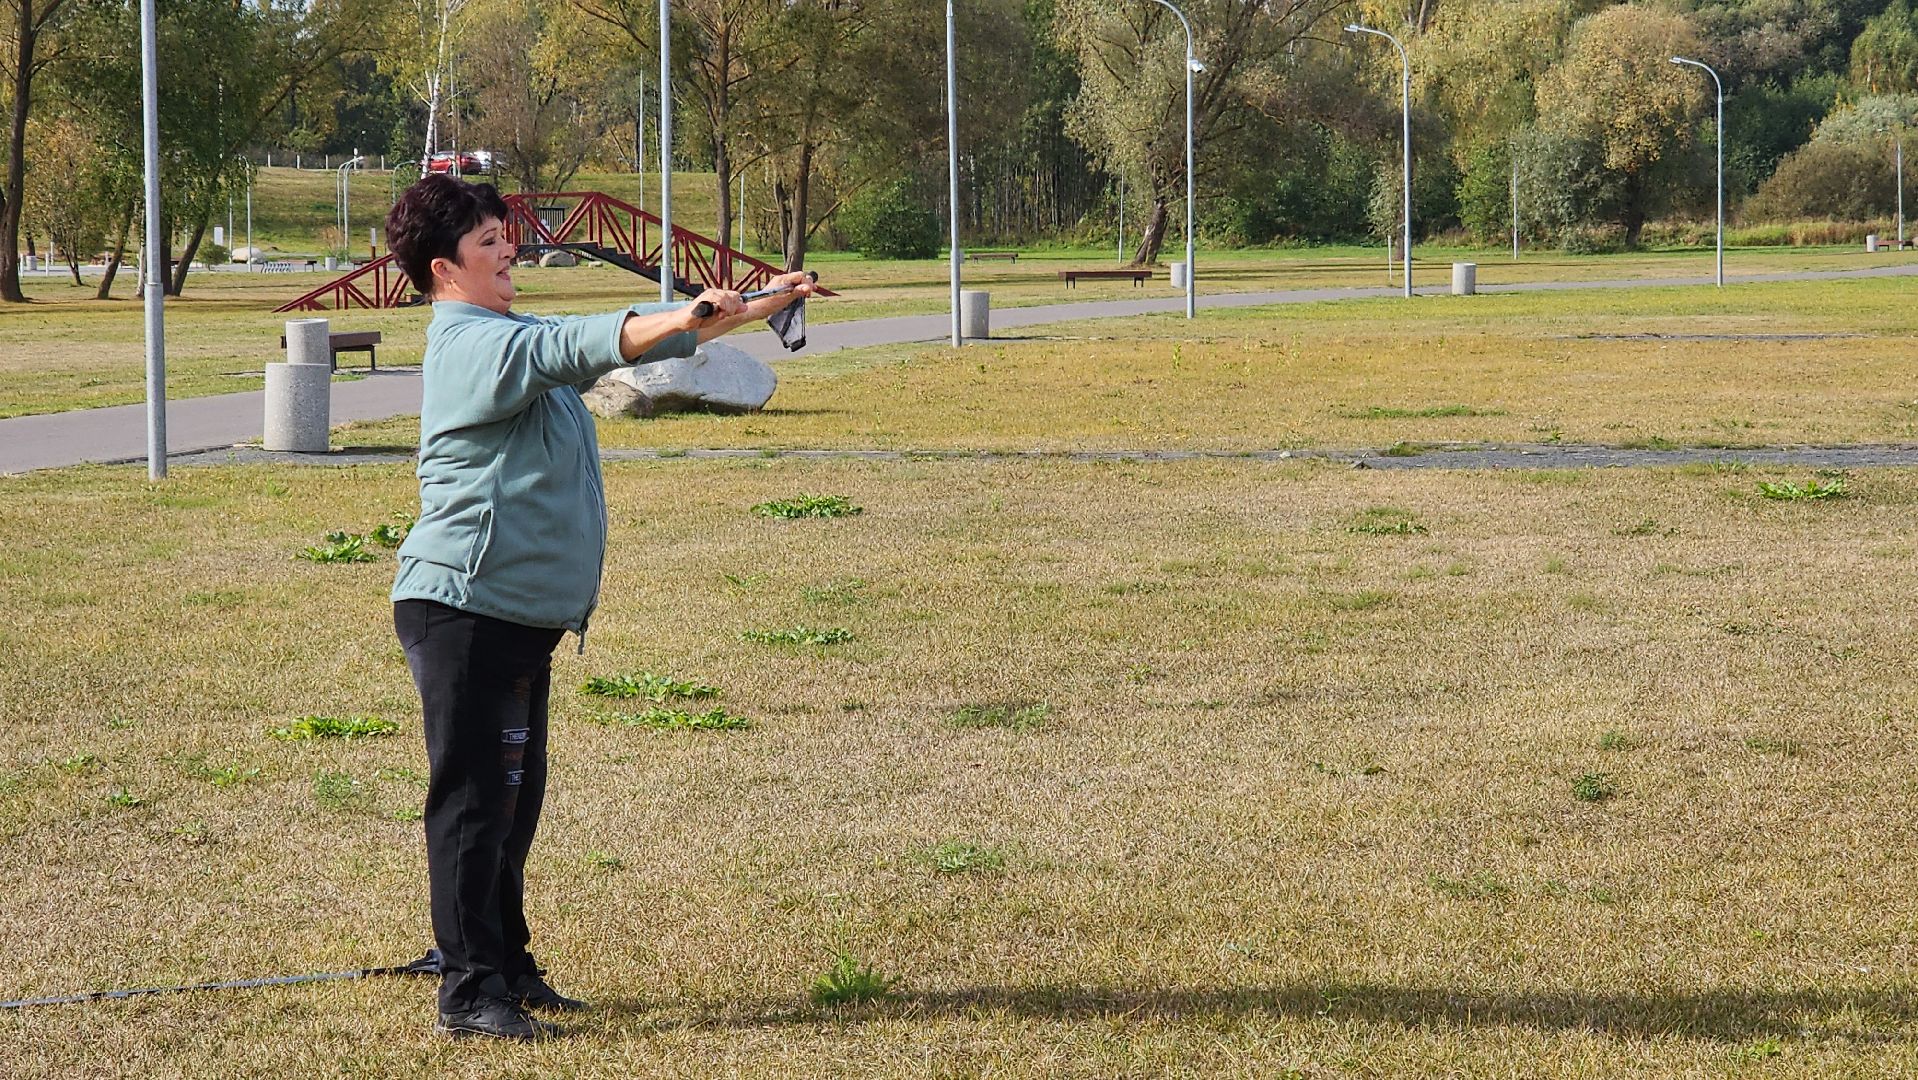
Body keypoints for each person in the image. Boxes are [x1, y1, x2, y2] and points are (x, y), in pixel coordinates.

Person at [383, 174, 814, 1041]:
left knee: (512, 806)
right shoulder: (469, 345)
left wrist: (760, 303)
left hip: (515, 618)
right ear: (444, 269)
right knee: (475, 805)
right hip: (464, 609)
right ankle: (470, 993)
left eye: (505, 234)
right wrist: (689, 314)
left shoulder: (509, 330)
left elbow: (638, 345)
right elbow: (587, 342)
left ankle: (503, 961)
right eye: (486, 242)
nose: (507, 249)